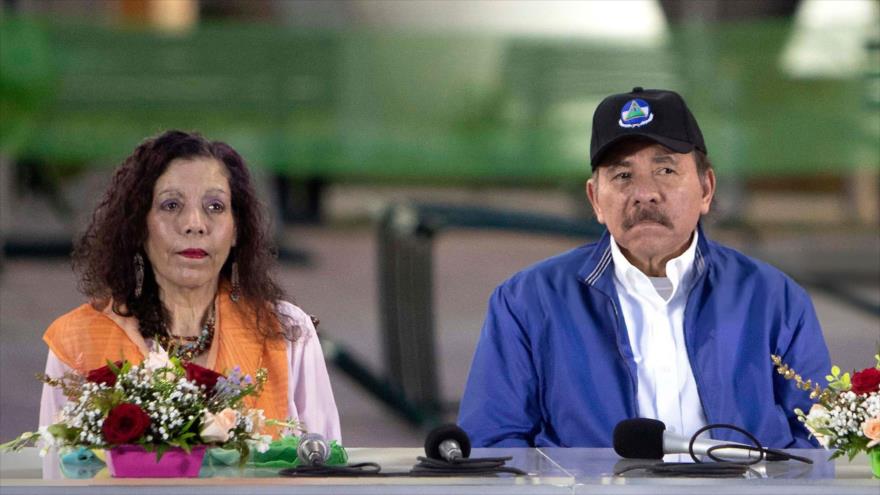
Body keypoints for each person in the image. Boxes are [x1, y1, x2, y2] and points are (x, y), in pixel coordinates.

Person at [458, 87, 830, 448]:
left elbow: (818, 437)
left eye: (666, 170)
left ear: (706, 189)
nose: (644, 192)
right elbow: (493, 443)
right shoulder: (527, 301)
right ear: (595, 199)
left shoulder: (774, 298)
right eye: (622, 176)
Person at [39, 130, 341, 442]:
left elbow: (325, 468)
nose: (194, 223)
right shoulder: (76, 339)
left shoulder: (287, 332)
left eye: (215, 207)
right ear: (139, 226)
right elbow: (56, 476)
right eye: (171, 205)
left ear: (237, 230)